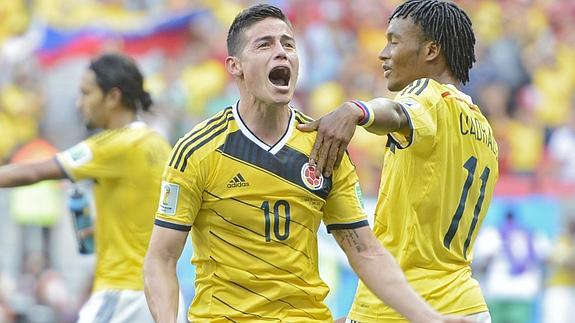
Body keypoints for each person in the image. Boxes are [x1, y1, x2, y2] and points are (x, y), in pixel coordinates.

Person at [144, 4, 471, 323]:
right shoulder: (198, 149)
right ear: (235, 66)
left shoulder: (324, 146)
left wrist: (428, 318)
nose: (281, 51)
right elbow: (162, 257)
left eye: (288, 44)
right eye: (264, 44)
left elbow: (364, 251)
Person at [298, 0, 499, 322]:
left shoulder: (429, 94)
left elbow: (397, 113)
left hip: (404, 305)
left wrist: (356, 110)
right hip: (466, 303)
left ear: (431, 51)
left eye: (394, 41)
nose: (383, 53)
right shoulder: (484, 129)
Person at [0, 53, 172, 322]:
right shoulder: (158, 144)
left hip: (123, 293)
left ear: (113, 97)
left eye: (86, 93)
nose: (79, 104)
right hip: (159, 294)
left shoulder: (118, 144)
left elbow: (34, 170)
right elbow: (130, 234)